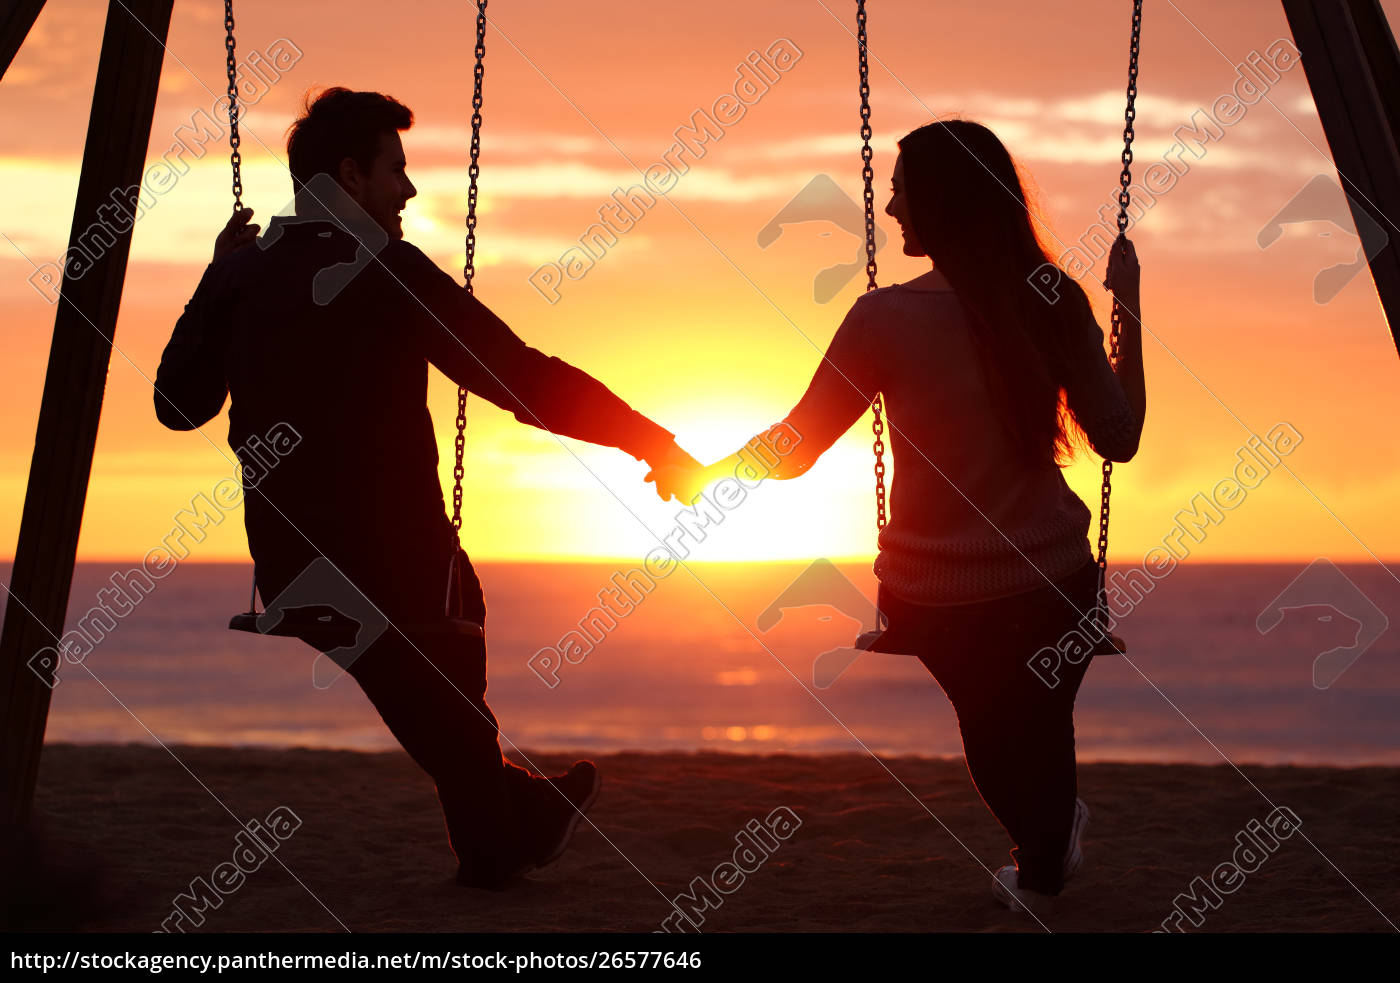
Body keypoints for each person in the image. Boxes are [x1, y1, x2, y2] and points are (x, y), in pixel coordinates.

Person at [153, 87, 697, 889]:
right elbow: (518, 375)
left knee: (434, 696)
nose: (407, 190)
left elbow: (176, 407)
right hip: (399, 565)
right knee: (449, 647)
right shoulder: (381, 267)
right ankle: (507, 830)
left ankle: (509, 829)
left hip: (293, 569)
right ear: (350, 173)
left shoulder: (243, 277)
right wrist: (651, 440)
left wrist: (213, 276)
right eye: (395, 169)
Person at [672, 120, 1144, 915]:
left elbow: (796, 444)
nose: (889, 207)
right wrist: (1128, 312)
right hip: (1047, 579)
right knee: (1029, 739)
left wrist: (711, 473)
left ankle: (1041, 868)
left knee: (1001, 745)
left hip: (948, 590)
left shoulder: (887, 318)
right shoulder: (1049, 299)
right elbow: (1122, 437)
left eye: (900, 191)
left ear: (938, 201)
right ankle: (1046, 856)